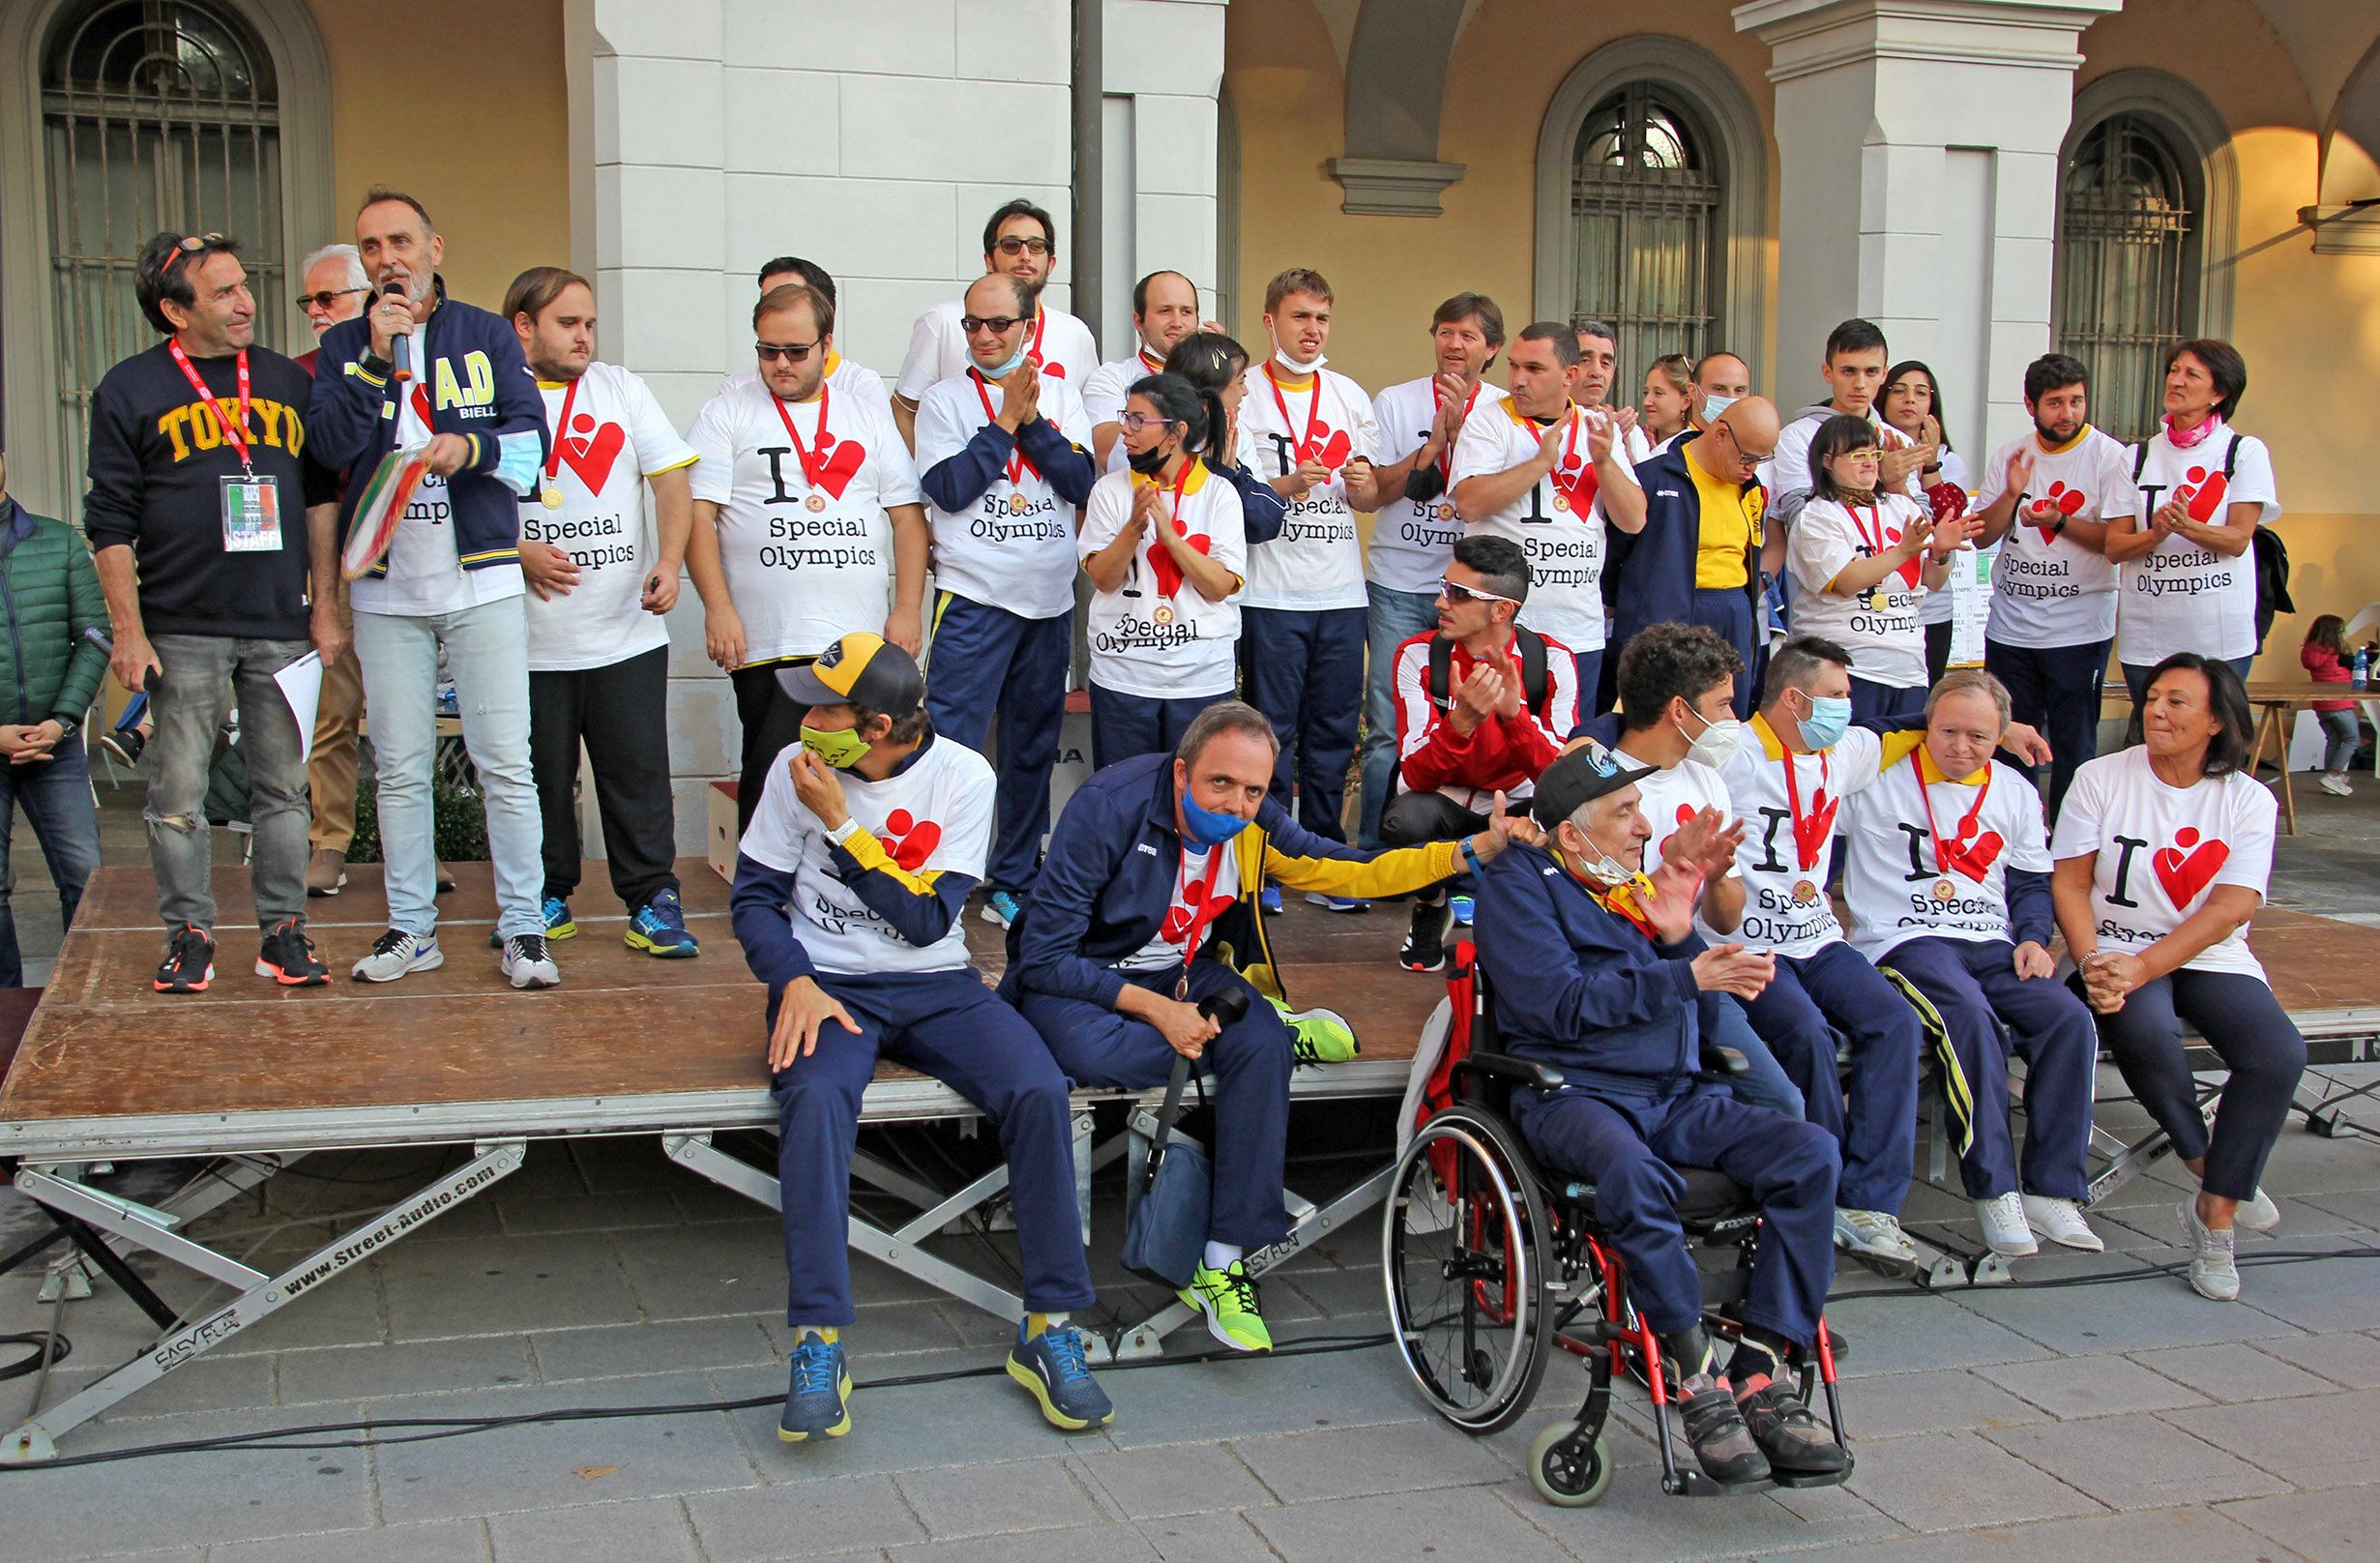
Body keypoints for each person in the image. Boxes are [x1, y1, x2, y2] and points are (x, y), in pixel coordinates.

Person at [1004, 700, 1526, 1352]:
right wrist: (1158, 1011)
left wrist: (1471, 850)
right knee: (1098, 1053)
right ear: (1180, 772)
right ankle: (1268, 1025)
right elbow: (1043, 957)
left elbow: (1351, 867)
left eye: (1252, 790)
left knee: (1259, 1049)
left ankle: (1221, 1260)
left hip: (1185, 977)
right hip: (1084, 980)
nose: (1235, 804)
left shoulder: (1254, 822)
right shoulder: (1109, 806)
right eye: (1219, 783)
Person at [727, 633, 1110, 1438]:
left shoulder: (963, 775)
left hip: (936, 982)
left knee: (1039, 1090)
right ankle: (818, 1339)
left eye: (822, 707)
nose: (805, 719)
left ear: (873, 726)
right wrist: (790, 978)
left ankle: (1049, 1330)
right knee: (817, 1098)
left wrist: (840, 824)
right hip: (826, 986)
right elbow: (754, 896)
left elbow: (927, 919)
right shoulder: (788, 771)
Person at [1473, 742, 1847, 1487]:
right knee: (1633, 1175)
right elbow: (1556, 1005)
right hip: (1572, 1091)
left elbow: (1686, 990)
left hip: (1673, 1093)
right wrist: (1684, 971)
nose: (1643, 826)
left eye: (1639, 808)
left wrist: (1680, 934)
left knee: (1809, 1152)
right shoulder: (1519, 886)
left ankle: (1760, 1367)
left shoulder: (1625, 888)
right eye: (1624, 812)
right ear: (1573, 834)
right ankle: (1696, 1378)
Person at [310, 190, 558, 990]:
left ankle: (523, 927)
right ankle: (412, 928)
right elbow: (332, 448)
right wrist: (376, 362)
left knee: (504, 766)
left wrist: (468, 446)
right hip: (386, 587)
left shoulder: (483, 332)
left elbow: (531, 445)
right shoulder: (346, 343)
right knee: (403, 768)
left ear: (434, 247)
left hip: (479, 575)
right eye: (372, 246)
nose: (388, 258)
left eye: (400, 241)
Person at [88, 230, 341, 993]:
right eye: (223, 292)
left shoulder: (285, 382)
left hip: (278, 623)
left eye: (243, 284)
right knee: (177, 795)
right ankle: (190, 933)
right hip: (180, 624)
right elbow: (108, 523)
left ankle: (283, 933)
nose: (245, 302)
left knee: (283, 791)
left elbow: (321, 497)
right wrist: (128, 634)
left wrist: (326, 605)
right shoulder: (129, 390)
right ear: (173, 311)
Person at [2054, 654, 2304, 1302]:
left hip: (2207, 955)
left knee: (2277, 1053)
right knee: (2145, 1029)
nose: (2155, 711)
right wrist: (2093, 963)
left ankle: (2211, 1214)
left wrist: (2144, 965)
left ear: (2216, 721)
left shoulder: (2247, 798)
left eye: (2176, 702)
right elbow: (2071, 882)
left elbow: (2231, 908)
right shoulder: (2101, 777)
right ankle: (2214, 1178)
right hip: (2108, 950)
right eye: (2153, 698)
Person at [1841, 669, 2102, 1257]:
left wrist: (2036, 935)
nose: (1961, 747)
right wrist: (1916, 726)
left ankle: (2054, 1188)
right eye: (1947, 731)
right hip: (1905, 939)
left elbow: (2033, 878)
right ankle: (1995, 1190)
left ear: (2002, 737)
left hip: (1992, 942)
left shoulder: (2014, 790)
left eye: (1979, 737)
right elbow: (1846, 737)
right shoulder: (1874, 776)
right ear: (1925, 725)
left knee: (2068, 1019)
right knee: (1969, 1017)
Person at [1712, 635, 1926, 1269]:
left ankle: (1871, 1200)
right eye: (1835, 697)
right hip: (1744, 942)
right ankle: (1822, 1189)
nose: (1846, 708)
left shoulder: (1844, 749)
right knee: (1804, 1032)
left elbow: (1910, 727)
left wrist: (2003, 723)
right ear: (1793, 698)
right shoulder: (1734, 755)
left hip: (1816, 936)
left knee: (1893, 1021)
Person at [506, 266, 701, 957]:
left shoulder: (621, 389)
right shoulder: (497, 395)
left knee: (637, 777)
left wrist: (670, 561)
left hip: (625, 635)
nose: (584, 335)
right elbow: (463, 499)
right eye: (568, 323)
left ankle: (651, 900)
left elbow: (672, 479)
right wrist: (517, 549)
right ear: (523, 326)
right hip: (528, 642)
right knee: (540, 781)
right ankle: (544, 894)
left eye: (589, 323)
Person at [685, 281, 927, 836]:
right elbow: (698, 518)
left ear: (826, 345)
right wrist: (717, 608)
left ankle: (846, 892)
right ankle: (763, 895)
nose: (781, 364)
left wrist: (908, 609)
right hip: (767, 638)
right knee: (773, 774)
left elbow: (907, 518)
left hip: (858, 641)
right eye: (768, 350)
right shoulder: (726, 413)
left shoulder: (866, 416)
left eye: (796, 351)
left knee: (862, 773)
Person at [913, 272, 1099, 929]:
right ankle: (937, 877)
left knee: (1029, 749)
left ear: (1027, 327)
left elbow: (1081, 480)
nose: (984, 336)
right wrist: (1002, 422)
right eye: (973, 324)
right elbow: (951, 487)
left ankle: (1012, 878)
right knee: (949, 746)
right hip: (973, 597)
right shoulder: (941, 400)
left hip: (1046, 600)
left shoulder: (1062, 395)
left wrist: (1033, 421)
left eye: (998, 324)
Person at [1570, 623, 1803, 1117]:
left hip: (1700, 966)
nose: (1732, 720)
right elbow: (1590, 919)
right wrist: (1673, 864)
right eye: (1722, 706)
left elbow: (1725, 920)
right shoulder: (1598, 782)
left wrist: (1715, 875)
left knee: (1794, 1080)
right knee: (1775, 1102)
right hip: (1633, 984)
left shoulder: (1708, 781)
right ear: (1680, 709)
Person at [1235, 269, 1384, 907]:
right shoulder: (1248, 397)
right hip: (1271, 593)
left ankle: (1323, 860)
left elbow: (1370, 494)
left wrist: (1360, 487)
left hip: (1340, 591)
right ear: (1270, 321)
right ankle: (1267, 862)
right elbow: (1233, 488)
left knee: (1330, 734)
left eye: (1321, 318)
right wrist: (1287, 485)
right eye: (1299, 317)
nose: (1311, 330)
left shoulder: (1349, 394)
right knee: (1272, 734)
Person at [1383, 536, 1576, 973]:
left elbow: (1561, 778)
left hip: (1520, 797)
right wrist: (1460, 725)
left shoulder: (1551, 661)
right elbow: (1413, 776)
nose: (1439, 602)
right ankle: (1432, 904)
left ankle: (1523, 927)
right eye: (1443, 586)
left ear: (1501, 609)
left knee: (1564, 823)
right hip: (1447, 797)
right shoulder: (1418, 655)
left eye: (1457, 593)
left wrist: (1513, 717)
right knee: (1403, 819)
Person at [1359, 294, 1510, 850]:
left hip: (1473, 594)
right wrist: (1438, 440)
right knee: (1387, 729)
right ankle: (1374, 856)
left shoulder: (1504, 408)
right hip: (1399, 584)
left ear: (1491, 349)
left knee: (1475, 723)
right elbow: (1373, 494)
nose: (1454, 344)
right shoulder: (1396, 403)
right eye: (1446, 332)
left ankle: (1456, 857)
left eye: (1469, 336)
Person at [1450, 322, 1648, 721]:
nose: (1518, 380)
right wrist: (1541, 462)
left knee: (1568, 755)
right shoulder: (1489, 422)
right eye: (1514, 367)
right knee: (1498, 752)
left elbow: (1634, 520)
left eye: (1534, 369)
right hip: (1504, 629)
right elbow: (1469, 503)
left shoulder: (1596, 428)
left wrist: (1606, 461)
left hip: (1577, 628)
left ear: (1569, 376)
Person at [1969, 354, 2134, 821]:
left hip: (2079, 630)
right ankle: (2010, 839)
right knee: (2010, 741)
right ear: (2030, 405)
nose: (2068, 413)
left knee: (2072, 746)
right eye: (2056, 403)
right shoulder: (2011, 455)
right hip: (2012, 629)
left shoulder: (2111, 458)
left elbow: (2114, 542)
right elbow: (1983, 535)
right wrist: (2012, 492)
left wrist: (2059, 521)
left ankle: (2066, 849)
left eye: (2077, 401)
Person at [1077, 374, 1248, 768]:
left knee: (1194, 798)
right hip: (1124, 677)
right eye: (1125, 417)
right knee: (1124, 796)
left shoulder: (1219, 493)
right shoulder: (1109, 489)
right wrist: (1135, 526)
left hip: (1201, 678)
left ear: (1176, 432)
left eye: (1138, 420)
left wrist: (1169, 536)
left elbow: (1221, 585)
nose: (1125, 429)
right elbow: (1103, 579)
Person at [2106, 340, 2277, 710]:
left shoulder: (2243, 452)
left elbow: (2237, 540)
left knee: (2213, 745)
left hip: (2218, 639)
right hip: (2148, 637)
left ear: (2220, 393)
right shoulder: (2137, 457)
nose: (2176, 381)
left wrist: (2185, 526)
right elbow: (2115, 547)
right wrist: (2156, 534)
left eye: (2191, 374)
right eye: (2173, 371)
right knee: (2156, 738)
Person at [0, 452, 109, 988]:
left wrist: (63, 720)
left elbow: (93, 636)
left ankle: (81, 1004)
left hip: (54, 745)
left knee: (86, 879)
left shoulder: (60, 542)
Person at [1785, 414, 1970, 724]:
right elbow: (1846, 581)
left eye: (1874, 454)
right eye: (1858, 455)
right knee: (1847, 764)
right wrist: (1903, 551)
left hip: (1908, 667)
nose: (1870, 463)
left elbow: (1933, 582)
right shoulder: (1817, 515)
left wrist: (1940, 552)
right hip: (1846, 666)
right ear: (1827, 461)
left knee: (1897, 767)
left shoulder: (1903, 507)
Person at [287, 243, 373, 897]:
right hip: (334, 559)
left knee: (413, 720)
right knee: (334, 712)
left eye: (328, 298)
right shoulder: (300, 374)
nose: (315, 310)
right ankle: (331, 841)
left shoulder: (413, 361)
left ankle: (414, 850)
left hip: (416, 556)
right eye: (308, 300)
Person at [1603, 398, 1778, 717]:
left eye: (1761, 459)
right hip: (1669, 609)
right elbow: (1615, 551)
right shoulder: (1654, 477)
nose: (1751, 467)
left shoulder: (1751, 487)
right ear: (1720, 434)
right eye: (1747, 456)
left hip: (1733, 610)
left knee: (1726, 720)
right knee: (1662, 719)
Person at [894, 199, 1098, 448]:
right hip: (965, 479)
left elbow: (1085, 426)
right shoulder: (942, 321)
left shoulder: (1075, 333)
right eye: (1011, 246)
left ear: (1051, 263)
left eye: (1036, 247)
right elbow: (904, 409)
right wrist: (931, 476)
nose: (1025, 256)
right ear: (989, 260)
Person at [1764, 319, 1930, 528]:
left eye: (1871, 372)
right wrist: (1880, 479)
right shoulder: (1797, 437)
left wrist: (1898, 489)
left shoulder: (1898, 440)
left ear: (1884, 375)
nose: (1860, 384)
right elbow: (1800, 520)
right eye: (1849, 371)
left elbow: (1924, 531)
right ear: (1828, 372)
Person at [1879, 361, 1977, 684]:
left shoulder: (1949, 460)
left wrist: (1930, 463)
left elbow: (1946, 521)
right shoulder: (1867, 453)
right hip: (1880, 603)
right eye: (1900, 391)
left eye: (1921, 393)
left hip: (1932, 603)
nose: (1910, 400)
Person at [721, 257, 895, 416]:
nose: (775, 308)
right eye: (767, 301)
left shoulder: (859, 385)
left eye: (790, 298)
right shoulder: (736, 389)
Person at [1162, 332, 1288, 546]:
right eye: (1240, 382)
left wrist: (1233, 475)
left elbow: (1265, 523)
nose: (1245, 391)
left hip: (1221, 572)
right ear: (1209, 392)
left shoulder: (1236, 434)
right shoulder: (1150, 434)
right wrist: (1208, 470)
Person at [1084, 270, 1203, 468]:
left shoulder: (1216, 378)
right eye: (1164, 311)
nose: (1177, 322)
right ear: (1139, 321)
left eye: (1186, 312)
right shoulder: (1111, 378)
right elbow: (1110, 455)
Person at [2301, 614, 2359, 796]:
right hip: (2340, 703)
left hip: (2321, 705)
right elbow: (2357, 665)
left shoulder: (2310, 650)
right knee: (2352, 739)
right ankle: (2334, 775)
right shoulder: (2338, 653)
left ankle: (2331, 780)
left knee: (2333, 740)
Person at [291, 243, 368, 375]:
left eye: (326, 298)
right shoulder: (299, 371)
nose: (312, 310)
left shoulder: (406, 359)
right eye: (308, 301)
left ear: (367, 297)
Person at [1640, 354, 1694, 449]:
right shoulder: (1635, 440)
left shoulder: (1694, 449)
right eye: (1646, 392)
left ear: (1685, 402)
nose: (1646, 402)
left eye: (1658, 393)